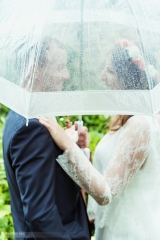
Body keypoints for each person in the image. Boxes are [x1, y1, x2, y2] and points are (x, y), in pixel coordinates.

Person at [38, 39, 160, 240]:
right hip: (114, 227)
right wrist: (81, 150)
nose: (103, 77)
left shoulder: (140, 124)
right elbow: (114, 173)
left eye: (110, 71)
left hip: (131, 233)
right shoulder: (126, 119)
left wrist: (66, 142)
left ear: (128, 79)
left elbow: (105, 193)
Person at [3, 37, 91, 240]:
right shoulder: (32, 127)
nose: (67, 75)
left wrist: (70, 149)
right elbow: (40, 216)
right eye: (60, 67)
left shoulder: (18, 115)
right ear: (35, 69)